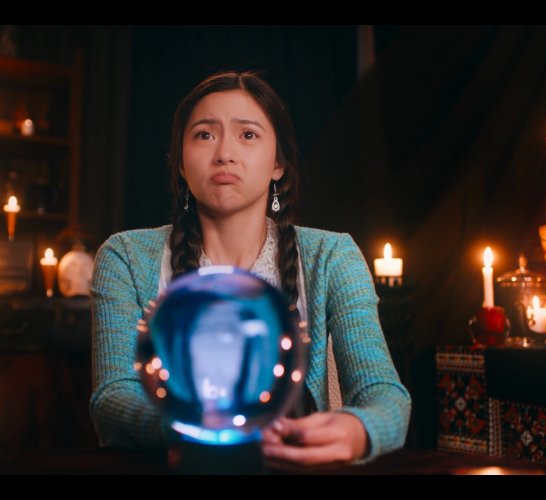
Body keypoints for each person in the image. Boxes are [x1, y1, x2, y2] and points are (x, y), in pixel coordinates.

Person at [90, 70, 411, 467]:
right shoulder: (124, 256)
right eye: (204, 135)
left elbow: (385, 395)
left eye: (248, 134)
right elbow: (112, 398)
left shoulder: (332, 255)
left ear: (278, 163)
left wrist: (358, 431)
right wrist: (197, 431)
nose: (224, 153)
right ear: (180, 164)